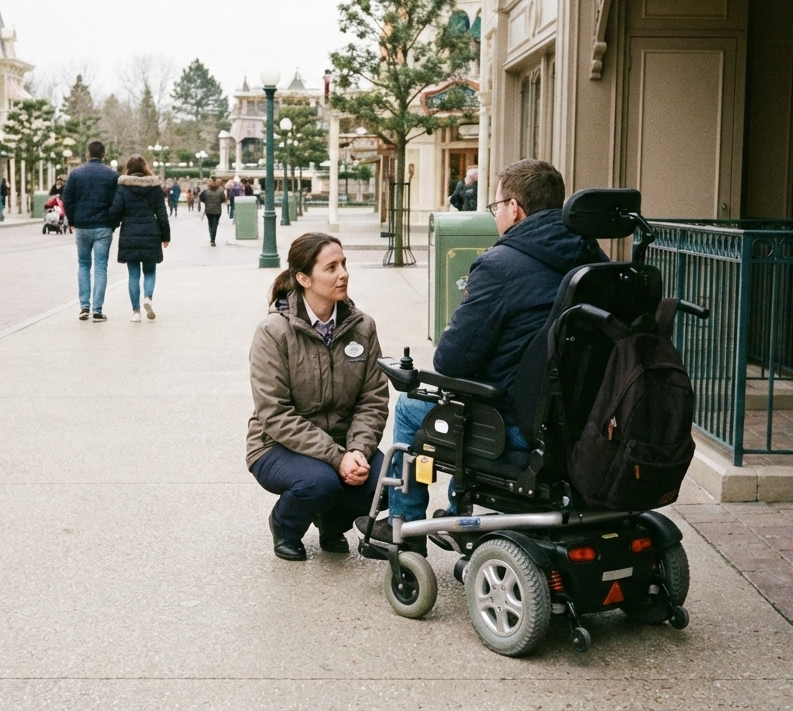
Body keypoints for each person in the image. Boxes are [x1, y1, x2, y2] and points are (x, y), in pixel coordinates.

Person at [359, 159, 608, 549]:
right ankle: (458, 513)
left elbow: (451, 362)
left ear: (515, 208)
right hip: (581, 423)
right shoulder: (596, 265)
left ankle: (403, 526)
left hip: (519, 426)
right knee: (473, 394)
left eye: (496, 208)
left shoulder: (500, 265)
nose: (496, 218)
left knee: (412, 404)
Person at [247, 233, 390, 561]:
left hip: (344, 442)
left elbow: (373, 399)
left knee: (388, 482)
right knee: (321, 482)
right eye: (331, 267)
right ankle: (285, 524)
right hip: (277, 445)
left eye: (344, 264)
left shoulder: (362, 327)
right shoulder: (274, 331)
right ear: (303, 278)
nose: (344, 273)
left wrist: (357, 450)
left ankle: (331, 523)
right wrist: (336, 457)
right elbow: (274, 412)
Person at [63, 140, 121, 322]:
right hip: (103, 225)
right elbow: (117, 202)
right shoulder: (112, 175)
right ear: (104, 155)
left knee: (83, 265)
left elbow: (67, 200)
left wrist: (73, 220)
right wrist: (112, 222)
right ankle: (97, 310)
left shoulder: (76, 174)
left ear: (88, 154)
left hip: (82, 225)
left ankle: (84, 307)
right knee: (101, 267)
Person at [114, 155, 171, 322]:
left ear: (128, 168)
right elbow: (162, 214)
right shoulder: (154, 187)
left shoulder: (123, 187)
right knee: (150, 271)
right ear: (145, 167)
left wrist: (110, 225)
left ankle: (136, 312)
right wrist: (165, 236)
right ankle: (148, 297)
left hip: (129, 233)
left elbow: (116, 211)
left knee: (133, 275)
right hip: (151, 232)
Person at [199, 179, 227, 247]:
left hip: (208, 210)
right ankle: (213, 239)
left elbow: (201, 198)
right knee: (215, 224)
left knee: (210, 224)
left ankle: (211, 237)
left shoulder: (206, 192)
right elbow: (223, 199)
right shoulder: (220, 192)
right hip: (217, 211)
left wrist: (206, 201)